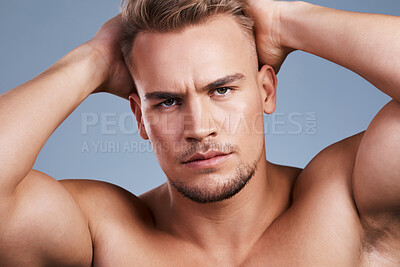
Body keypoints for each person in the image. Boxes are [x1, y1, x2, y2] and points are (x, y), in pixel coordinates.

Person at [0, 0, 399, 265]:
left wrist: (284, 21)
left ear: (266, 91)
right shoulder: (103, 233)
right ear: (140, 117)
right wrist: (94, 58)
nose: (200, 128)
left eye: (221, 90)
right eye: (167, 102)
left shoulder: (345, 199)